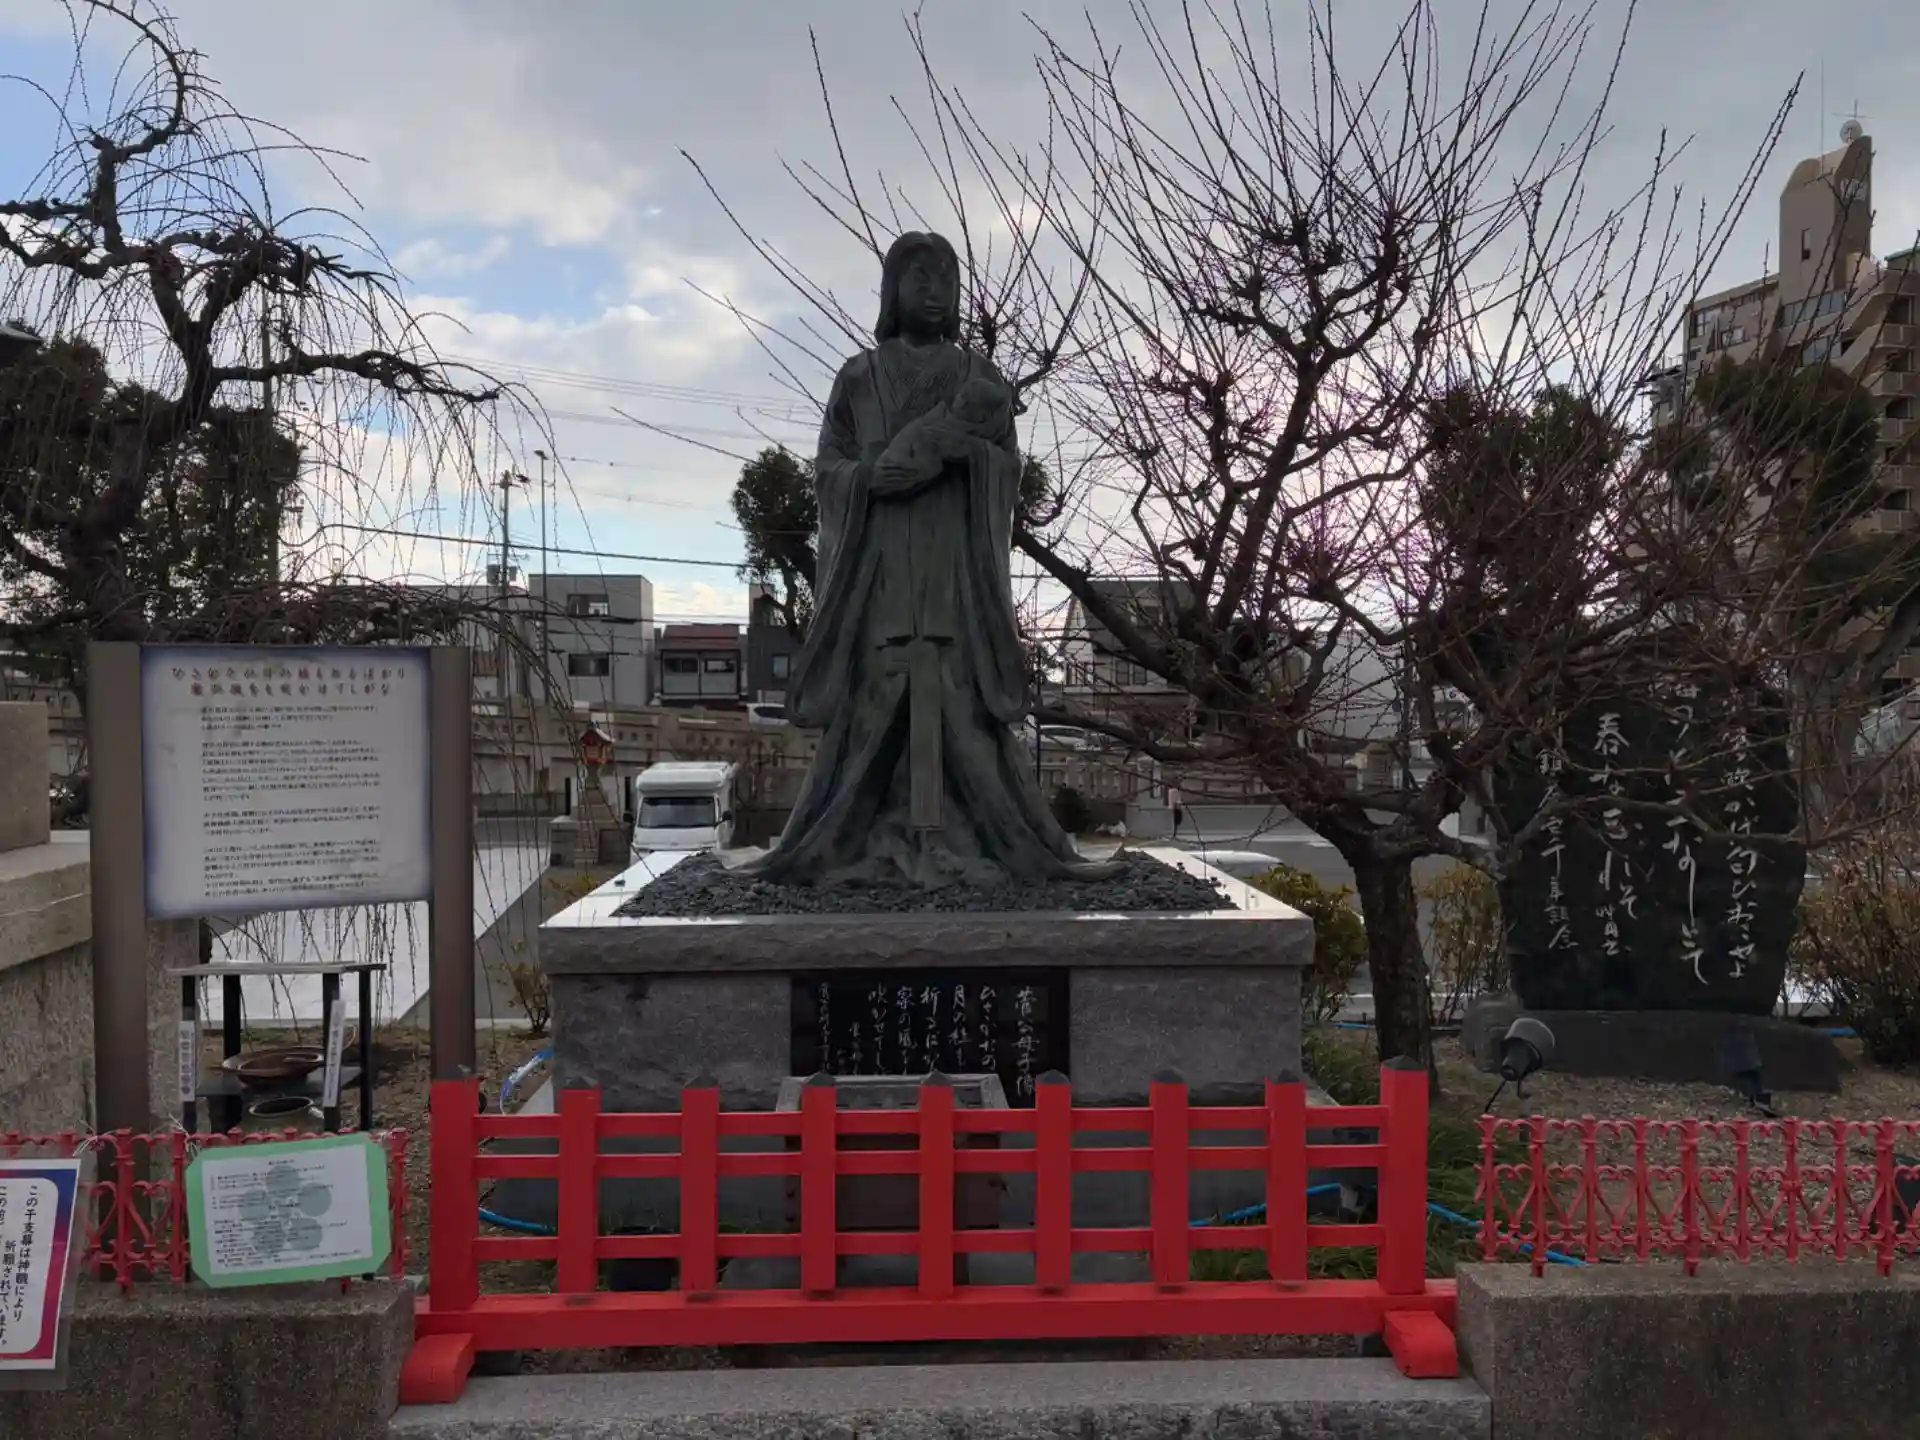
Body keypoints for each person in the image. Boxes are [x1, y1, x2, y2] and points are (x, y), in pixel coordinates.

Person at [741, 232, 1115, 887]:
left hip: (956, 576)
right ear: (893, 290)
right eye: (919, 278)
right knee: (870, 710)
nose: (935, 292)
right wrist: (866, 479)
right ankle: (843, 844)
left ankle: (994, 842)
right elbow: (827, 467)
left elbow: (1006, 467)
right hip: (880, 573)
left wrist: (963, 456)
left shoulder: (980, 379)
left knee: (964, 711)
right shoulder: (859, 377)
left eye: (946, 279)